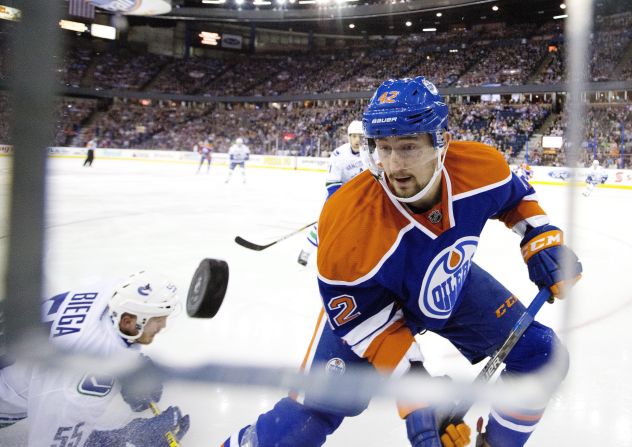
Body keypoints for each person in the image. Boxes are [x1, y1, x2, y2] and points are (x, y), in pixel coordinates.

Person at [224, 77, 581, 447]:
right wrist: (415, 391)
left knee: (543, 356)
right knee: (307, 420)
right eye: (385, 148)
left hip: (447, 283)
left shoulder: (480, 166)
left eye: (408, 147)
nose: (394, 166)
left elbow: (515, 199)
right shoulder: (345, 225)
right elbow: (365, 324)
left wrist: (540, 238)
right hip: (372, 308)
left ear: (441, 141)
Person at [0, 271, 190, 446]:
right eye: (158, 320)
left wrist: (126, 366)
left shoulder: (111, 290)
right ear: (128, 321)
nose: (163, 325)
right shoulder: (73, 389)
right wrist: (131, 438)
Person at [297, 120, 366, 266]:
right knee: (324, 224)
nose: (357, 140)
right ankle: (306, 251)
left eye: (360, 136)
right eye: (353, 136)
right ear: (348, 137)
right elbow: (332, 183)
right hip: (340, 195)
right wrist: (341, 202)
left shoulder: (372, 153)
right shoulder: (339, 154)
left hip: (363, 198)